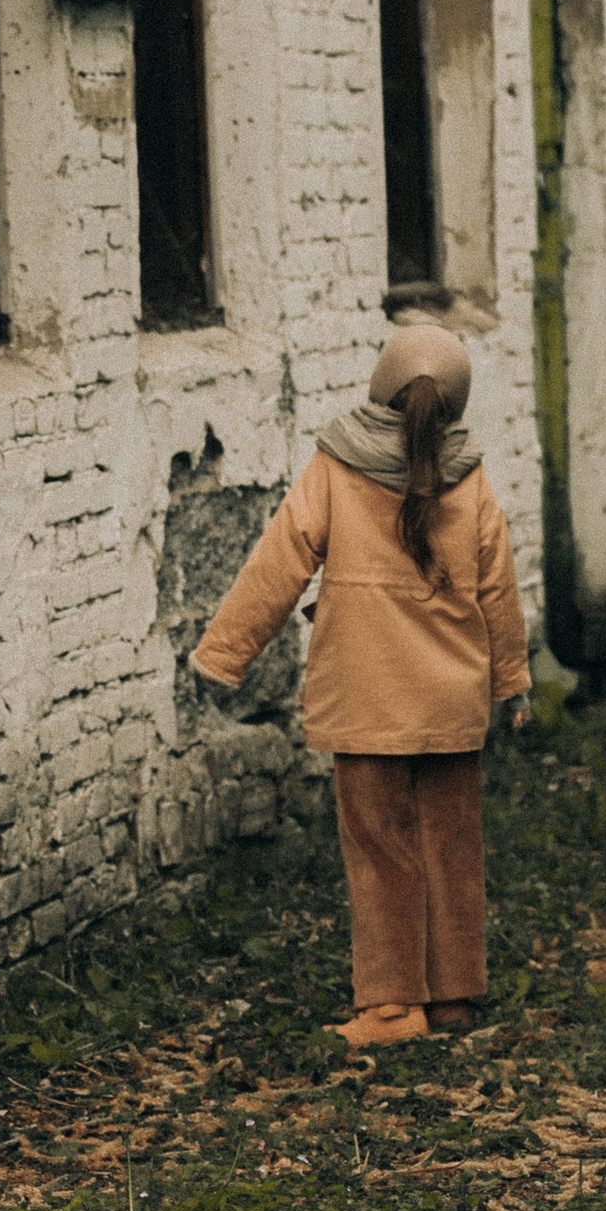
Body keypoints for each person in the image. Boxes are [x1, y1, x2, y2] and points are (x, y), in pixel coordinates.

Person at [189, 319, 531, 1049]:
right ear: (457, 408)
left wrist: (224, 654)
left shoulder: (335, 469)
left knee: (381, 849)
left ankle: (389, 1007)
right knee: (452, 843)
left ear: (380, 387)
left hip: (366, 698)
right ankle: (453, 995)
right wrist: (512, 682)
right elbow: (500, 587)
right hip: (450, 703)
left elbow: (276, 566)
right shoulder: (471, 478)